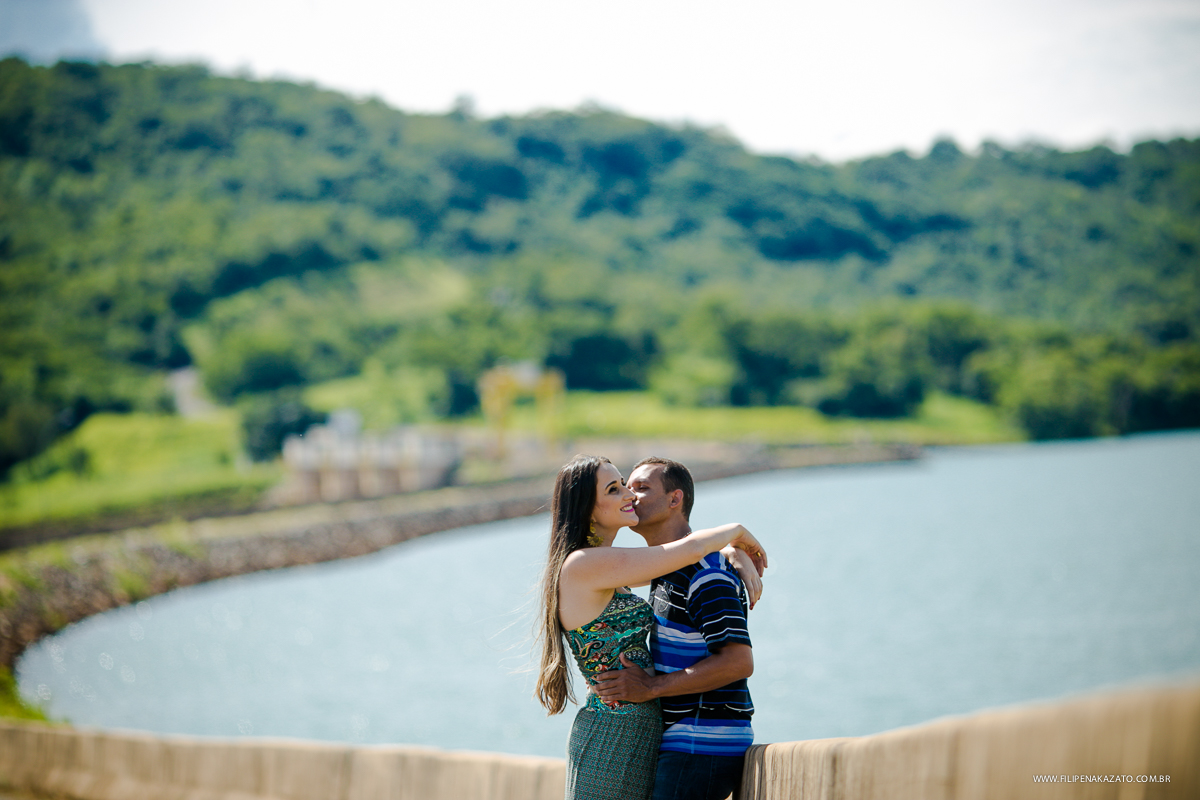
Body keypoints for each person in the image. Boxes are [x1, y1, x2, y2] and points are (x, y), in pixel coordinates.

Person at [535, 454, 766, 800]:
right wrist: (736, 534)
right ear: (587, 507)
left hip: (649, 735)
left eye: (632, 486)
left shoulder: (630, 568)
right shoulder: (586, 564)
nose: (628, 495)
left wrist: (730, 554)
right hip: (615, 734)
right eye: (616, 489)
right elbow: (690, 549)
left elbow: (685, 555)